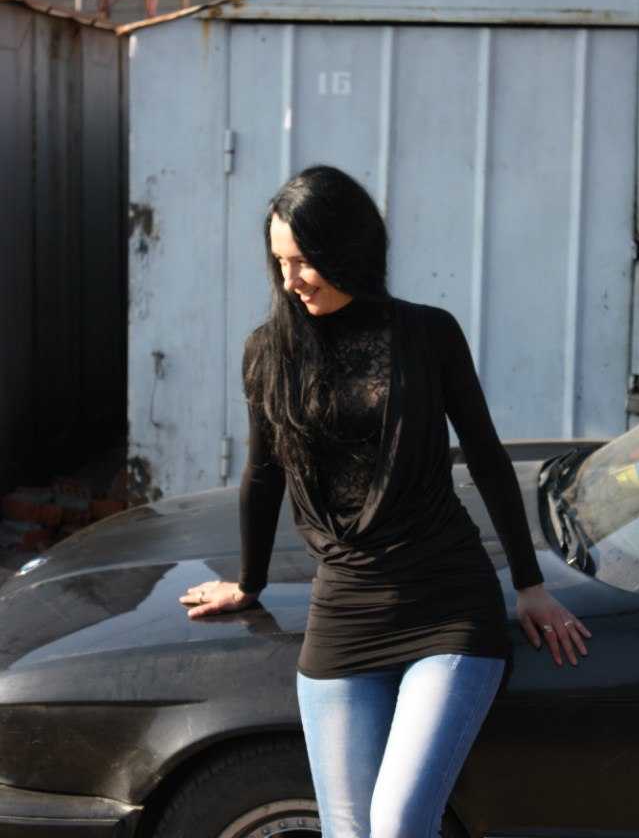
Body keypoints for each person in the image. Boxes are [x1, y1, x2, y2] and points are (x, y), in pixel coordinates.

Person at [181, 164, 591, 838]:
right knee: (348, 831)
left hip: (447, 603)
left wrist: (529, 584)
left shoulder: (429, 333)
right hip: (344, 608)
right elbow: (263, 472)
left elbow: (487, 458)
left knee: (398, 822)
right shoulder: (268, 351)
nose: (290, 279)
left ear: (349, 247)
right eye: (279, 262)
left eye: (304, 260)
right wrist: (248, 583)